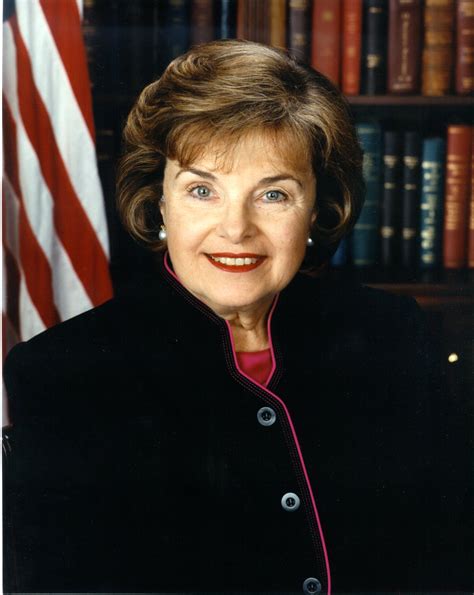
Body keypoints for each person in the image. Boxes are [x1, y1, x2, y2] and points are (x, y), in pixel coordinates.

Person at [3, 40, 470, 594]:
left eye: (273, 194)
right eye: (202, 190)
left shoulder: (394, 334)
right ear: (158, 204)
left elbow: (450, 559)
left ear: (318, 209)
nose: (235, 229)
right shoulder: (63, 371)